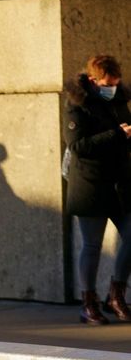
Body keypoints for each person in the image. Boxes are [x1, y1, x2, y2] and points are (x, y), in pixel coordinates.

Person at [64, 54, 131, 325]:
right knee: (92, 246)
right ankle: (88, 304)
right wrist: (118, 134)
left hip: (120, 185)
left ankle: (116, 296)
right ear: (93, 80)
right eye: (107, 83)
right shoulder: (77, 104)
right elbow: (78, 146)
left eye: (115, 83)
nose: (112, 87)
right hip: (90, 185)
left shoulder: (117, 100)